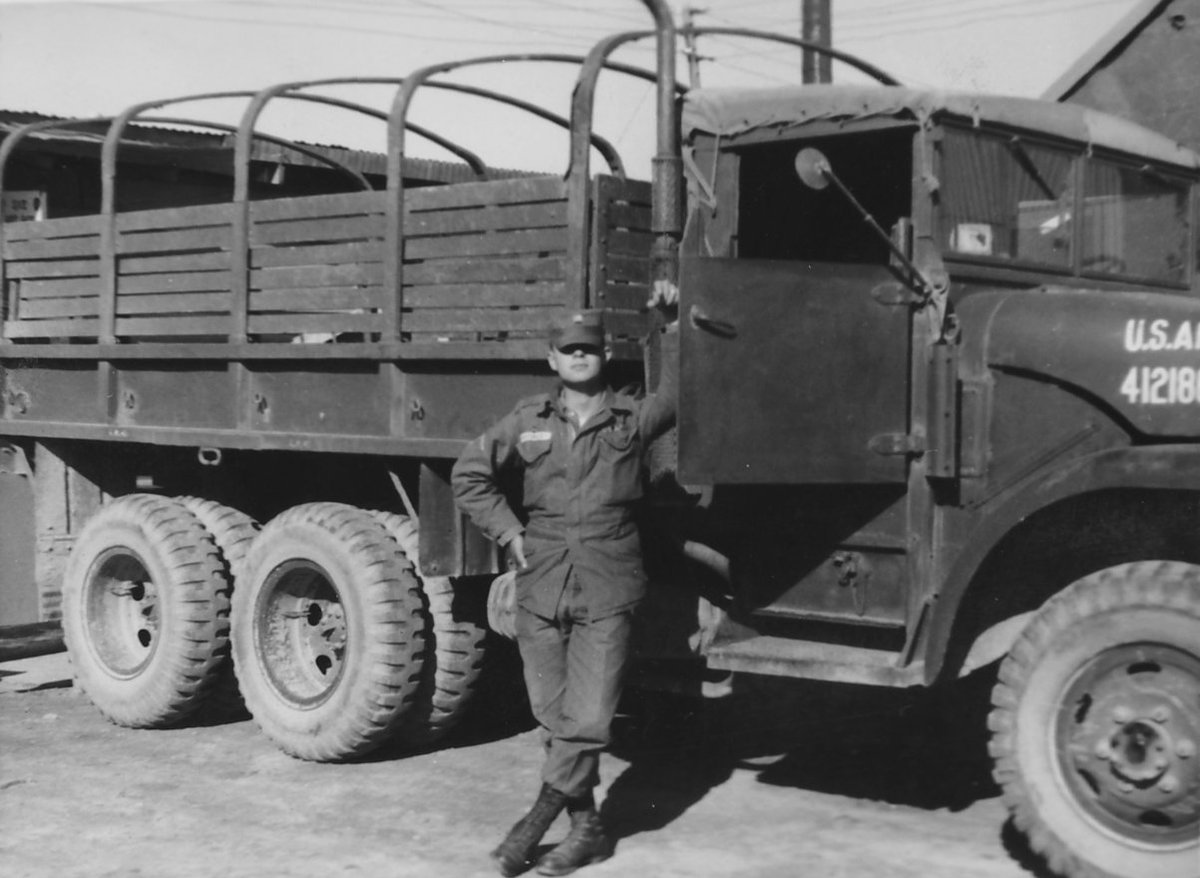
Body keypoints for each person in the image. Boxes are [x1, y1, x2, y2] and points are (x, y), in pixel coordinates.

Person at [451, 283, 678, 877]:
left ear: (605, 357)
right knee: (553, 718)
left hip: (608, 585)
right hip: (542, 582)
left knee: (590, 719)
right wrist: (509, 532)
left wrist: (673, 321)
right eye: (569, 349)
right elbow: (470, 475)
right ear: (552, 359)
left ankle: (532, 825)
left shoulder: (635, 415)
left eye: (590, 348)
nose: (580, 356)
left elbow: (685, 391)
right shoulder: (526, 420)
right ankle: (587, 830)